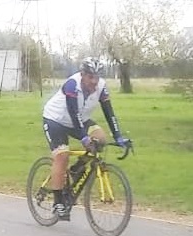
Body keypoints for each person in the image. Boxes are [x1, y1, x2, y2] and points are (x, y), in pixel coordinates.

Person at [40, 57, 131, 220]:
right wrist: (83, 138)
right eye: (90, 77)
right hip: (56, 120)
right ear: (82, 75)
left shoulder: (101, 87)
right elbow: (73, 113)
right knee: (62, 156)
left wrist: (118, 136)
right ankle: (58, 201)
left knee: (101, 139)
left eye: (97, 77)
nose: (94, 81)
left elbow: (109, 112)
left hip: (80, 120)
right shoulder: (72, 85)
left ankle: (76, 169)